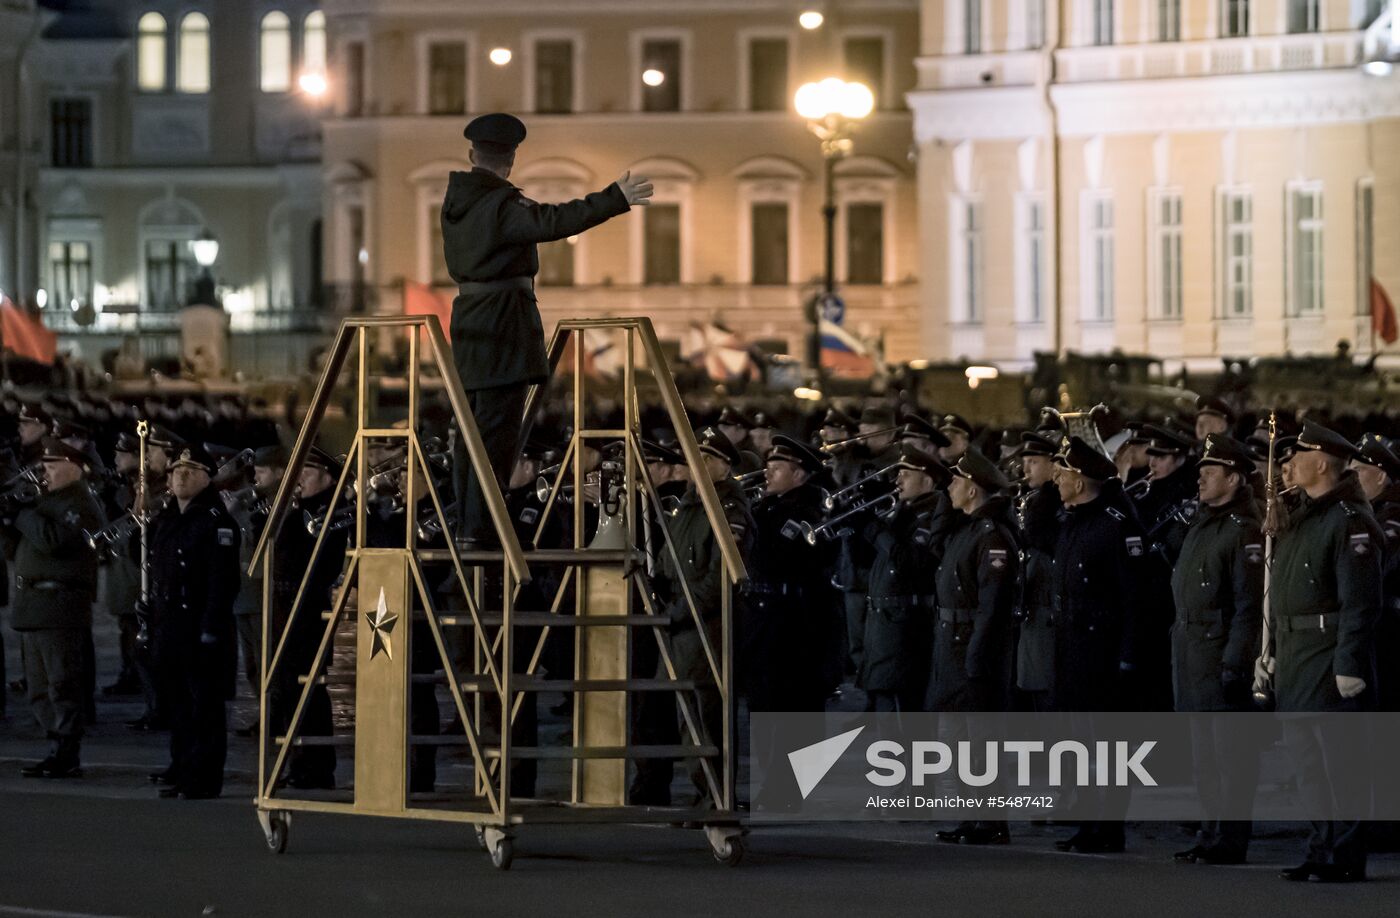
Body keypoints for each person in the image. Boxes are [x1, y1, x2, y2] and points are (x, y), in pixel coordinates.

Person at [440, 112, 653, 546]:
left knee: (468, 429)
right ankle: (482, 531)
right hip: (503, 323)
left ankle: (467, 525)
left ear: (471, 154)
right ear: (512, 158)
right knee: (496, 432)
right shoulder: (499, 203)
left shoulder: (458, 201)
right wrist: (615, 198)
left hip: (468, 321)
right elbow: (553, 221)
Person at [1267, 421, 1382, 883]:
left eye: (1298, 457)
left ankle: (1346, 854)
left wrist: (1349, 662)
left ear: (1321, 463)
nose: (1288, 464)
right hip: (1296, 653)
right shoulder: (1298, 516)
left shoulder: (1349, 521)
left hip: (1329, 653)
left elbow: (1361, 601)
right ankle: (1321, 846)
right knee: (1307, 763)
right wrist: (1270, 649)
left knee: (1341, 762)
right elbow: (1279, 593)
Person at [633, 427, 752, 806]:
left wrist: (678, 613)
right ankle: (702, 793)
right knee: (684, 720)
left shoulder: (727, 510)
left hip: (705, 629)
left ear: (723, 466)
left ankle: (716, 796)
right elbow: (671, 561)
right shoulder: (689, 504)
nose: (695, 466)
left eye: (705, 459)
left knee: (706, 720)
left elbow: (721, 576)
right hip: (679, 628)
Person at [1169, 434, 1265, 865]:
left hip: (1219, 650)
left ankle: (1229, 837)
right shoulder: (1203, 523)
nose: (1201, 482)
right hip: (1191, 651)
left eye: (1210, 474)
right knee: (1203, 754)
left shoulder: (1244, 530)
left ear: (1233, 477)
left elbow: (1248, 606)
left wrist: (1235, 662)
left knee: (1230, 756)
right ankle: (1209, 832)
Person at [1049, 436, 1148, 853]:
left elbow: (1135, 596)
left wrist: (1128, 655)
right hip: (1072, 647)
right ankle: (1088, 820)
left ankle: (1109, 824)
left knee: (1108, 747)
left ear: (1082, 479)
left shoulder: (1115, 522)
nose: (1055, 479)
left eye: (1062, 472)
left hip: (1103, 651)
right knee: (1079, 745)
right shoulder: (1074, 520)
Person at [930, 448, 1018, 846]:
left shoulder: (991, 536)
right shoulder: (965, 528)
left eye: (956, 481)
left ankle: (991, 818)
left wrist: (978, 654)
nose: (949, 486)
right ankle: (971, 813)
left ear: (973, 489)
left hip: (974, 644)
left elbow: (992, 603)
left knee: (982, 737)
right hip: (952, 643)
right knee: (962, 737)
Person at [6, 439, 105, 778]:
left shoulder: (80, 503)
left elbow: (55, 541)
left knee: (62, 682)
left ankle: (67, 749)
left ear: (73, 467)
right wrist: (7, 520)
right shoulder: (45, 503)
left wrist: (21, 515)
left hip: (60, 604)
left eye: (52, 464)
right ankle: (54, 743)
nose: (44, 471)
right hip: (34, 604)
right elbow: (14, 549)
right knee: (38, 687)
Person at [148, 446, 241, 799]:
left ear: (207, 476)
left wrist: (210, 628)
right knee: (178, 706)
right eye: (175, 471)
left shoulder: (217, 522)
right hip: (171, 624)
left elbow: (222, 581)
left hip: (199, 627)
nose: (181, 476)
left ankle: (203, 777)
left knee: (205, 707)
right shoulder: (169, 518)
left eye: (191, 471)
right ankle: (183, 768)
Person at [267, 446, 347, 790]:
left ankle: (315, 765)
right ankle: (299, 761)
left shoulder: (333, 512)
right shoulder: (301, 508)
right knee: (288, 688)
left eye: (309, 471)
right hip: (287, 604)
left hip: (309, 607)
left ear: (328, 478)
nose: (299, 478)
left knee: (308, 688)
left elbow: (323, 563)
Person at [861, 447, 949, 713]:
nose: (898, 481)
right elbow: (865, 561)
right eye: (898, 473)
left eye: (906, 474)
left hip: (906, 626)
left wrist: (875, 528)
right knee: (887, 707)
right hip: (883, 624)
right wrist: (859, 524)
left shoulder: (931, 514)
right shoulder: (899, 510)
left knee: (905, 708)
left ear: (927, 480)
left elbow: (910, 562)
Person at [1014, 430, 1061, 711]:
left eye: (1033, 461)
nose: (1025, 468)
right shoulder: (1032, 500)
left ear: (1053, 464)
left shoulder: (1054, 504)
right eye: (1025, 461)